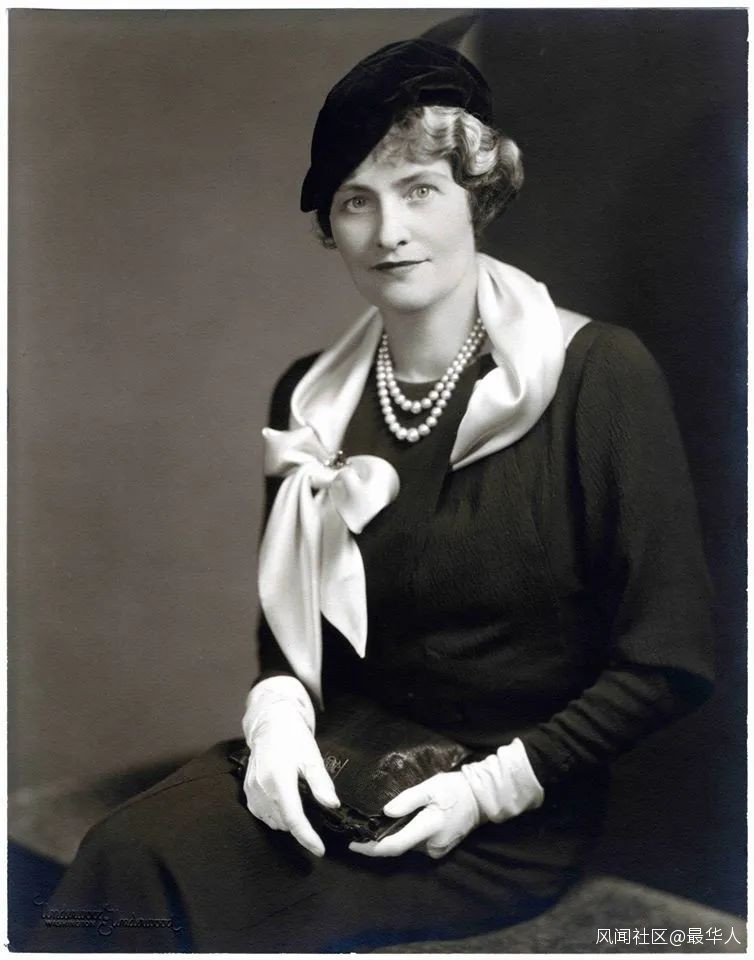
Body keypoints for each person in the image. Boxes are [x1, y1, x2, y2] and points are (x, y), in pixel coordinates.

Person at [29, 38, 714, 953]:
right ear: (332, 225)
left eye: (420, 190)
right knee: (129, 852)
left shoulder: (599, 374)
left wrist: (489, 789)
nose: (389, 230)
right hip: (342, 763)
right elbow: (289, 637)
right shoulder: (311, 395)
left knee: (171, 891)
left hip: (501, 818)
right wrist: (277, 724)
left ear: (477, 198)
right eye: (357, 200)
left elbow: (669, 662)